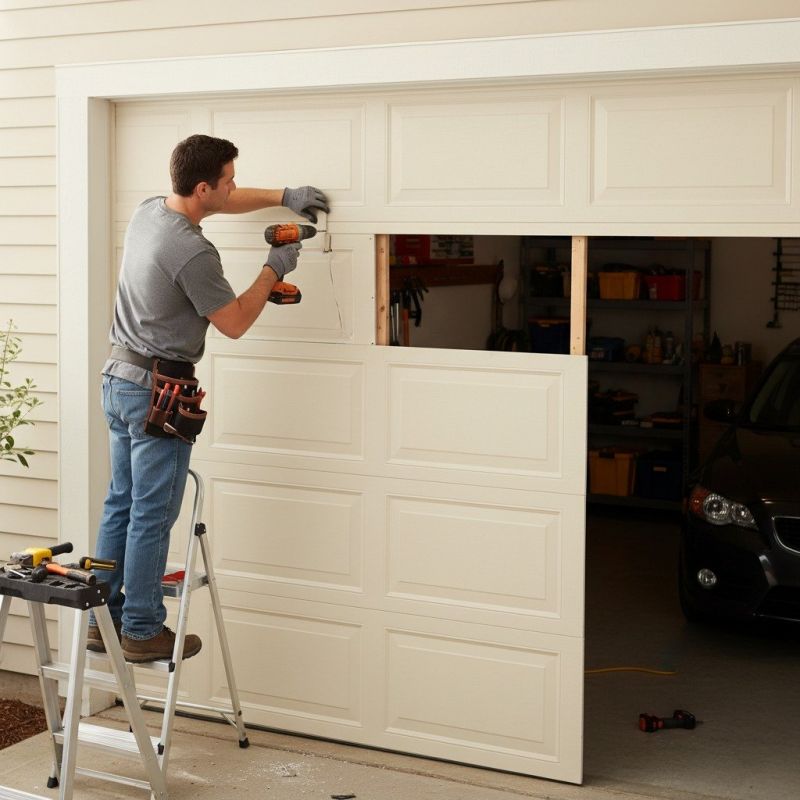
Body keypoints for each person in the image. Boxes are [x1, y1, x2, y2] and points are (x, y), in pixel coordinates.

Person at [88, 134, 329, 663]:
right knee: (151, 514)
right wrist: (273, 270)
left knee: (121, 503)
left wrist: (285, 194)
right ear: (202, 186)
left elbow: (220, 200)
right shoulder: (193, 252)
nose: (234, 187)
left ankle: (99, 615)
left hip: (119, 376)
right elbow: (236, 323)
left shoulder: (152, 211)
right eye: (228, 180)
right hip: (158, 392)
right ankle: (143, 629)